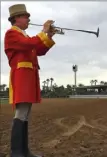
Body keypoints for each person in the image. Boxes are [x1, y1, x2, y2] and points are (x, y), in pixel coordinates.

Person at [4, 4, 56, 157]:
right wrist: (43, 32)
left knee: (25, 114)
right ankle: (16, 152)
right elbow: (29, 44)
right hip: (21, 77)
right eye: (25, 16)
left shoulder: (23, 35)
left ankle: (24, 151)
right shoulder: (11, 34)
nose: (28, 19)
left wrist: (49, 36)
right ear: (16, 18)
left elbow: (39, 50)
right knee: (21, 114)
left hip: (28, 77)